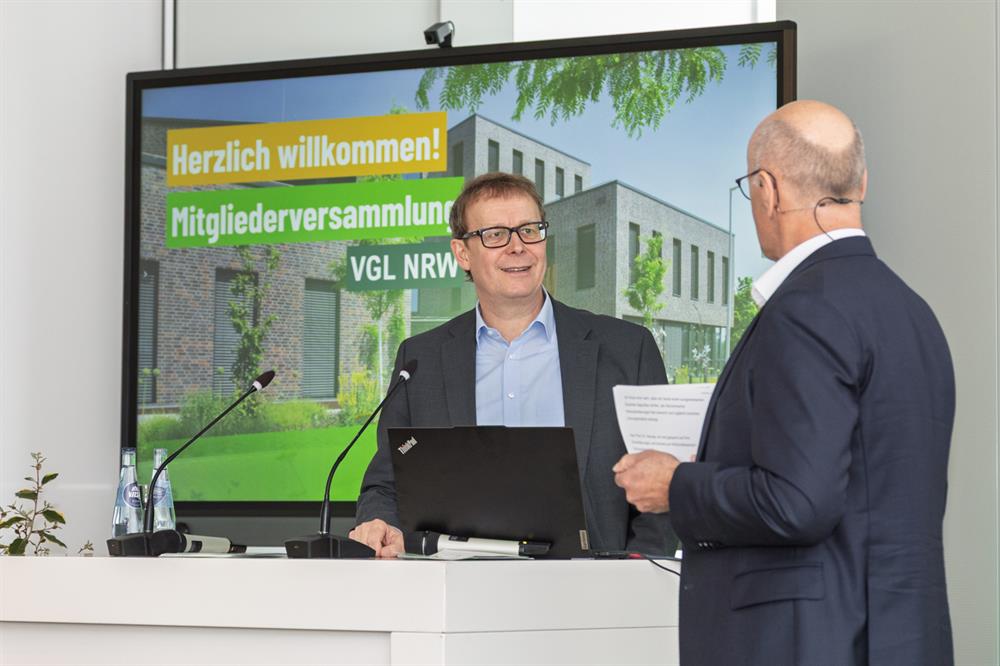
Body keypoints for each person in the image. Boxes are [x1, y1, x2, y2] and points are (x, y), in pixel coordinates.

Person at [613, 100, 955, 665]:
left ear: (767, 190)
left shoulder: (804, 310)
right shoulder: (914, 313)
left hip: (805, 645)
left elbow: (798, 501)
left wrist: (676, 485)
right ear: (861, 183)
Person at [351, 172, 672, 558]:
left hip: (596, 586)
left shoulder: (627, 349)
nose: (517, 247)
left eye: (529, 230)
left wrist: (637, 575)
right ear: (463, 253)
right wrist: (379, 521)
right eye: (495, 235)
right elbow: (386, 485)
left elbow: (663, 491)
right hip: (459, 587)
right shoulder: (421, 361)